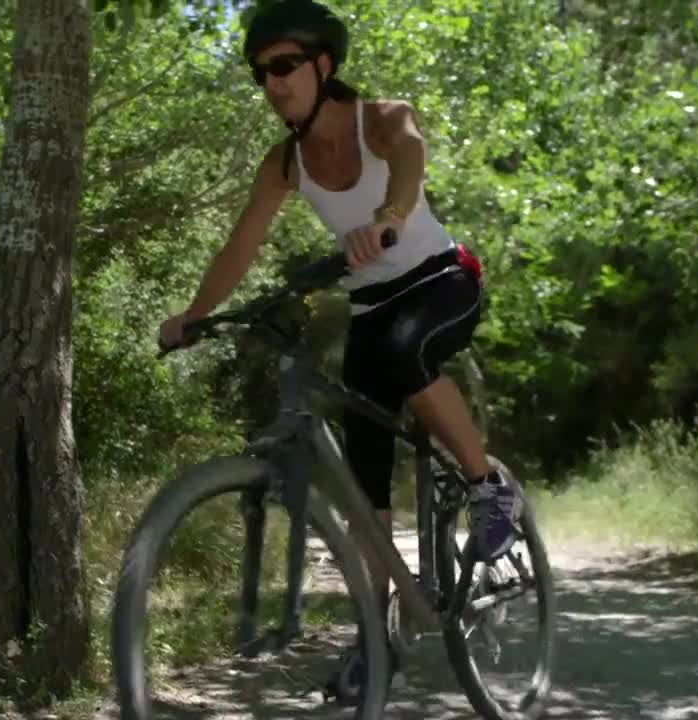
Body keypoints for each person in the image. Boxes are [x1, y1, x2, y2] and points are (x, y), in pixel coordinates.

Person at [157, 0, 523, 694]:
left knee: (404, 354)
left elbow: (411, 160)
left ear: (324, 65)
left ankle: (487, 484)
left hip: (444, 282)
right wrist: (195, 315)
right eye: (260, 74)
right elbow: (243, 244)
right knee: (365, 487)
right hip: (372, 306)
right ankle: (374, 642)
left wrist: (389, 218)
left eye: (284, 67)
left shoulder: (380, 117)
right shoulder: (286, 162)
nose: (272, 85)